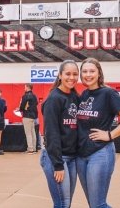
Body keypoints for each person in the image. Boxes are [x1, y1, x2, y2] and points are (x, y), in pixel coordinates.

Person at [76, 57, 120, 208]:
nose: (88, 74)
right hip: (82, 155)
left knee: (98, 204)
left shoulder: (108, 93)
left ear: (98, 73)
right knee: (93, 203)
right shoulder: (83, 94)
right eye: (84, 71)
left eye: (92, 71)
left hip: (100, 153)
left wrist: (109, 135)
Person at [41, 60, 79, 208]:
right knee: (62, 203)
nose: (72, 77)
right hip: (56, 158)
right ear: (60, 75)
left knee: (67, 203)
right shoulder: (54, 99)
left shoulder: (75, 96)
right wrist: (57, 165)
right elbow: (51, 133)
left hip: (72, 157)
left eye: (75, 74)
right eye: (68, 74)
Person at [19, 83, 38, 154]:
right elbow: (36, 103)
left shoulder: (25, 96)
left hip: (27, 115)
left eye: (25, 87)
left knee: (28, 133)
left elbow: (22, 105)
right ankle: (34, 148)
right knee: (33, 132)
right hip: (33, 116)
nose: (24, 88)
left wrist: (21, 109)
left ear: (27, 87)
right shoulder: (34, 96)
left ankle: (30, 149)